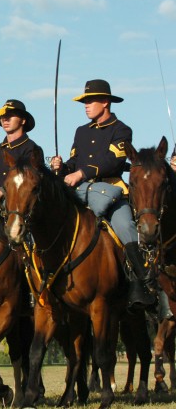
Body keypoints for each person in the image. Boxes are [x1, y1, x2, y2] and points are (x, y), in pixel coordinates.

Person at [50, 79, 156, 311]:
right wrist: (62, 167)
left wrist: (80, 173)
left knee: (127, 226)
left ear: (105, 102)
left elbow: (112, 161)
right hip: (80, 193)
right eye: (84, 101)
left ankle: (141, 285)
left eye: (90, 100)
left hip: (110, 192)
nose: (86, 105)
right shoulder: (81, 131)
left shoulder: (121, 129)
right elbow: (74, 161)